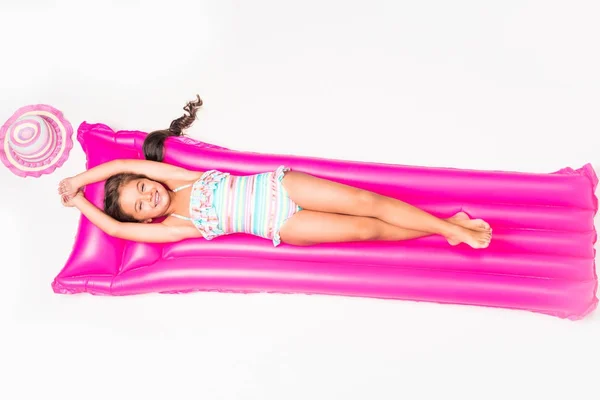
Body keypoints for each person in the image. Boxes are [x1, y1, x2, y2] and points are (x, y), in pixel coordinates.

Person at [59, 95, 492, 248]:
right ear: (146, 219)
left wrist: (79, 181)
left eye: (140, 187)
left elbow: (117, 164)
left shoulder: (176, 177)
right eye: (139, 206)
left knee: (366, 202)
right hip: (281, 222)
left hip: (280, 185)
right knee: (366, 231)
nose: (146, 196)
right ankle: (446, 228)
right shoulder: (175, 224)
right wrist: (80, 204)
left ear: (148, 176)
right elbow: (116, 232)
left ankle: (450, 228)